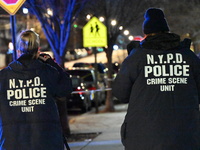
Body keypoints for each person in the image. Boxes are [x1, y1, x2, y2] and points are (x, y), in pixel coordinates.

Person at [113, 8, 200, 150]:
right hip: (185, 137)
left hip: (144, 138)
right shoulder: (188, 56)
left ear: (145, 34)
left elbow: (120, 93)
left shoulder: (136, 58)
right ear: (167, 31)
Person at [0, 30, 72, 150]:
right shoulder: (49, 72)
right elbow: (66, 87)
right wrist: (51, 63)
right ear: (38, 51)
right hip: (47, 142)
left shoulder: (3, 77)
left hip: (12, 143)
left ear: (17, 51)